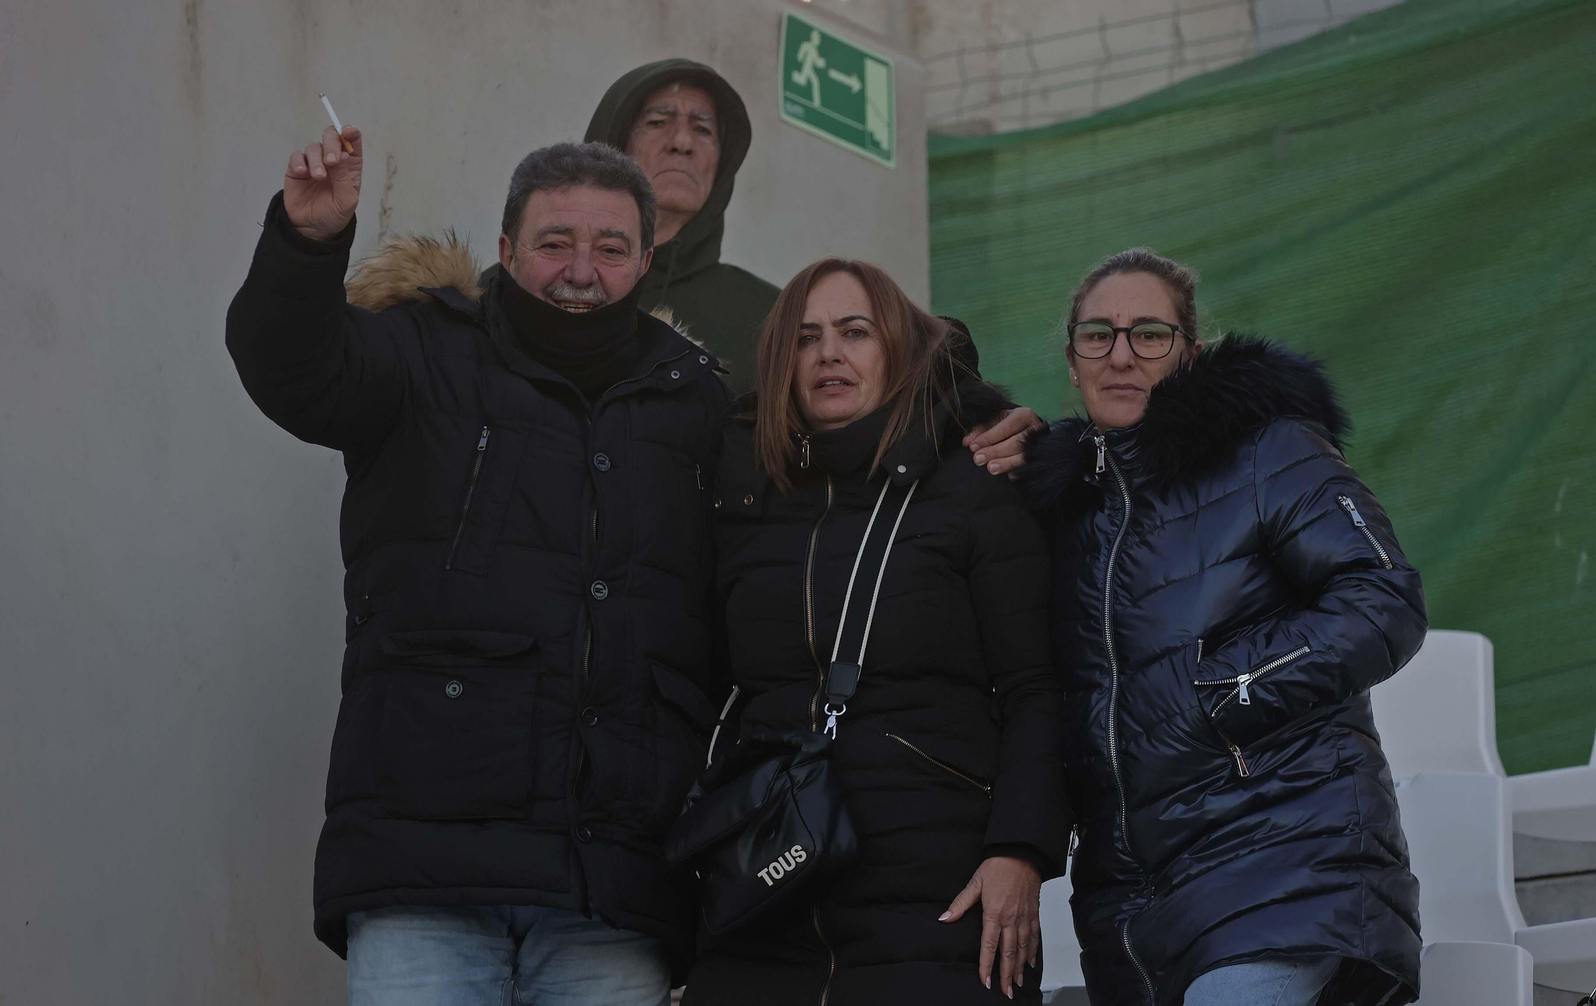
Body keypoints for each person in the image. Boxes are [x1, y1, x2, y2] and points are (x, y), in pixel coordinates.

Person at [226, 130, 730, 1005]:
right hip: (424, 870)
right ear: (504, 251)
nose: (582, 270)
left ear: (647, 261)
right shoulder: (422, 348)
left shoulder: (700, 402)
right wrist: (306, 244)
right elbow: (292, 365)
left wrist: (978, 422)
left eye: (610, 248)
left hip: (615, 882)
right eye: (554, 243)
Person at [1017, 249, 1427, 1005]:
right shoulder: (1064, 512)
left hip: (1284, 866)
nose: (1121, 356)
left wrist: (1227, 690)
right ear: (1071, 361)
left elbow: (1382, 598)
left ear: (1190, 354)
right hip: (1129, 907)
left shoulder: (1268, 452)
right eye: (1096, 336)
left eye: (1149, 334)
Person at [685, 259, 1071, 1004]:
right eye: (806, 339)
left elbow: (1036, 688)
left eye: (854, 332)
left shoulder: (977, 481)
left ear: (896, 350)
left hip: (939, 893)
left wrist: (1020, 852)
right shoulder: (741, 498)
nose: (829, 353)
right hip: (764, 896)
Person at [583, 59, 780, 390]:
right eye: (658, 121)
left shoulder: (771, 319)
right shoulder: (532, 283)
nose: (683, 143)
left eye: (703, 129)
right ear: (612, 146)